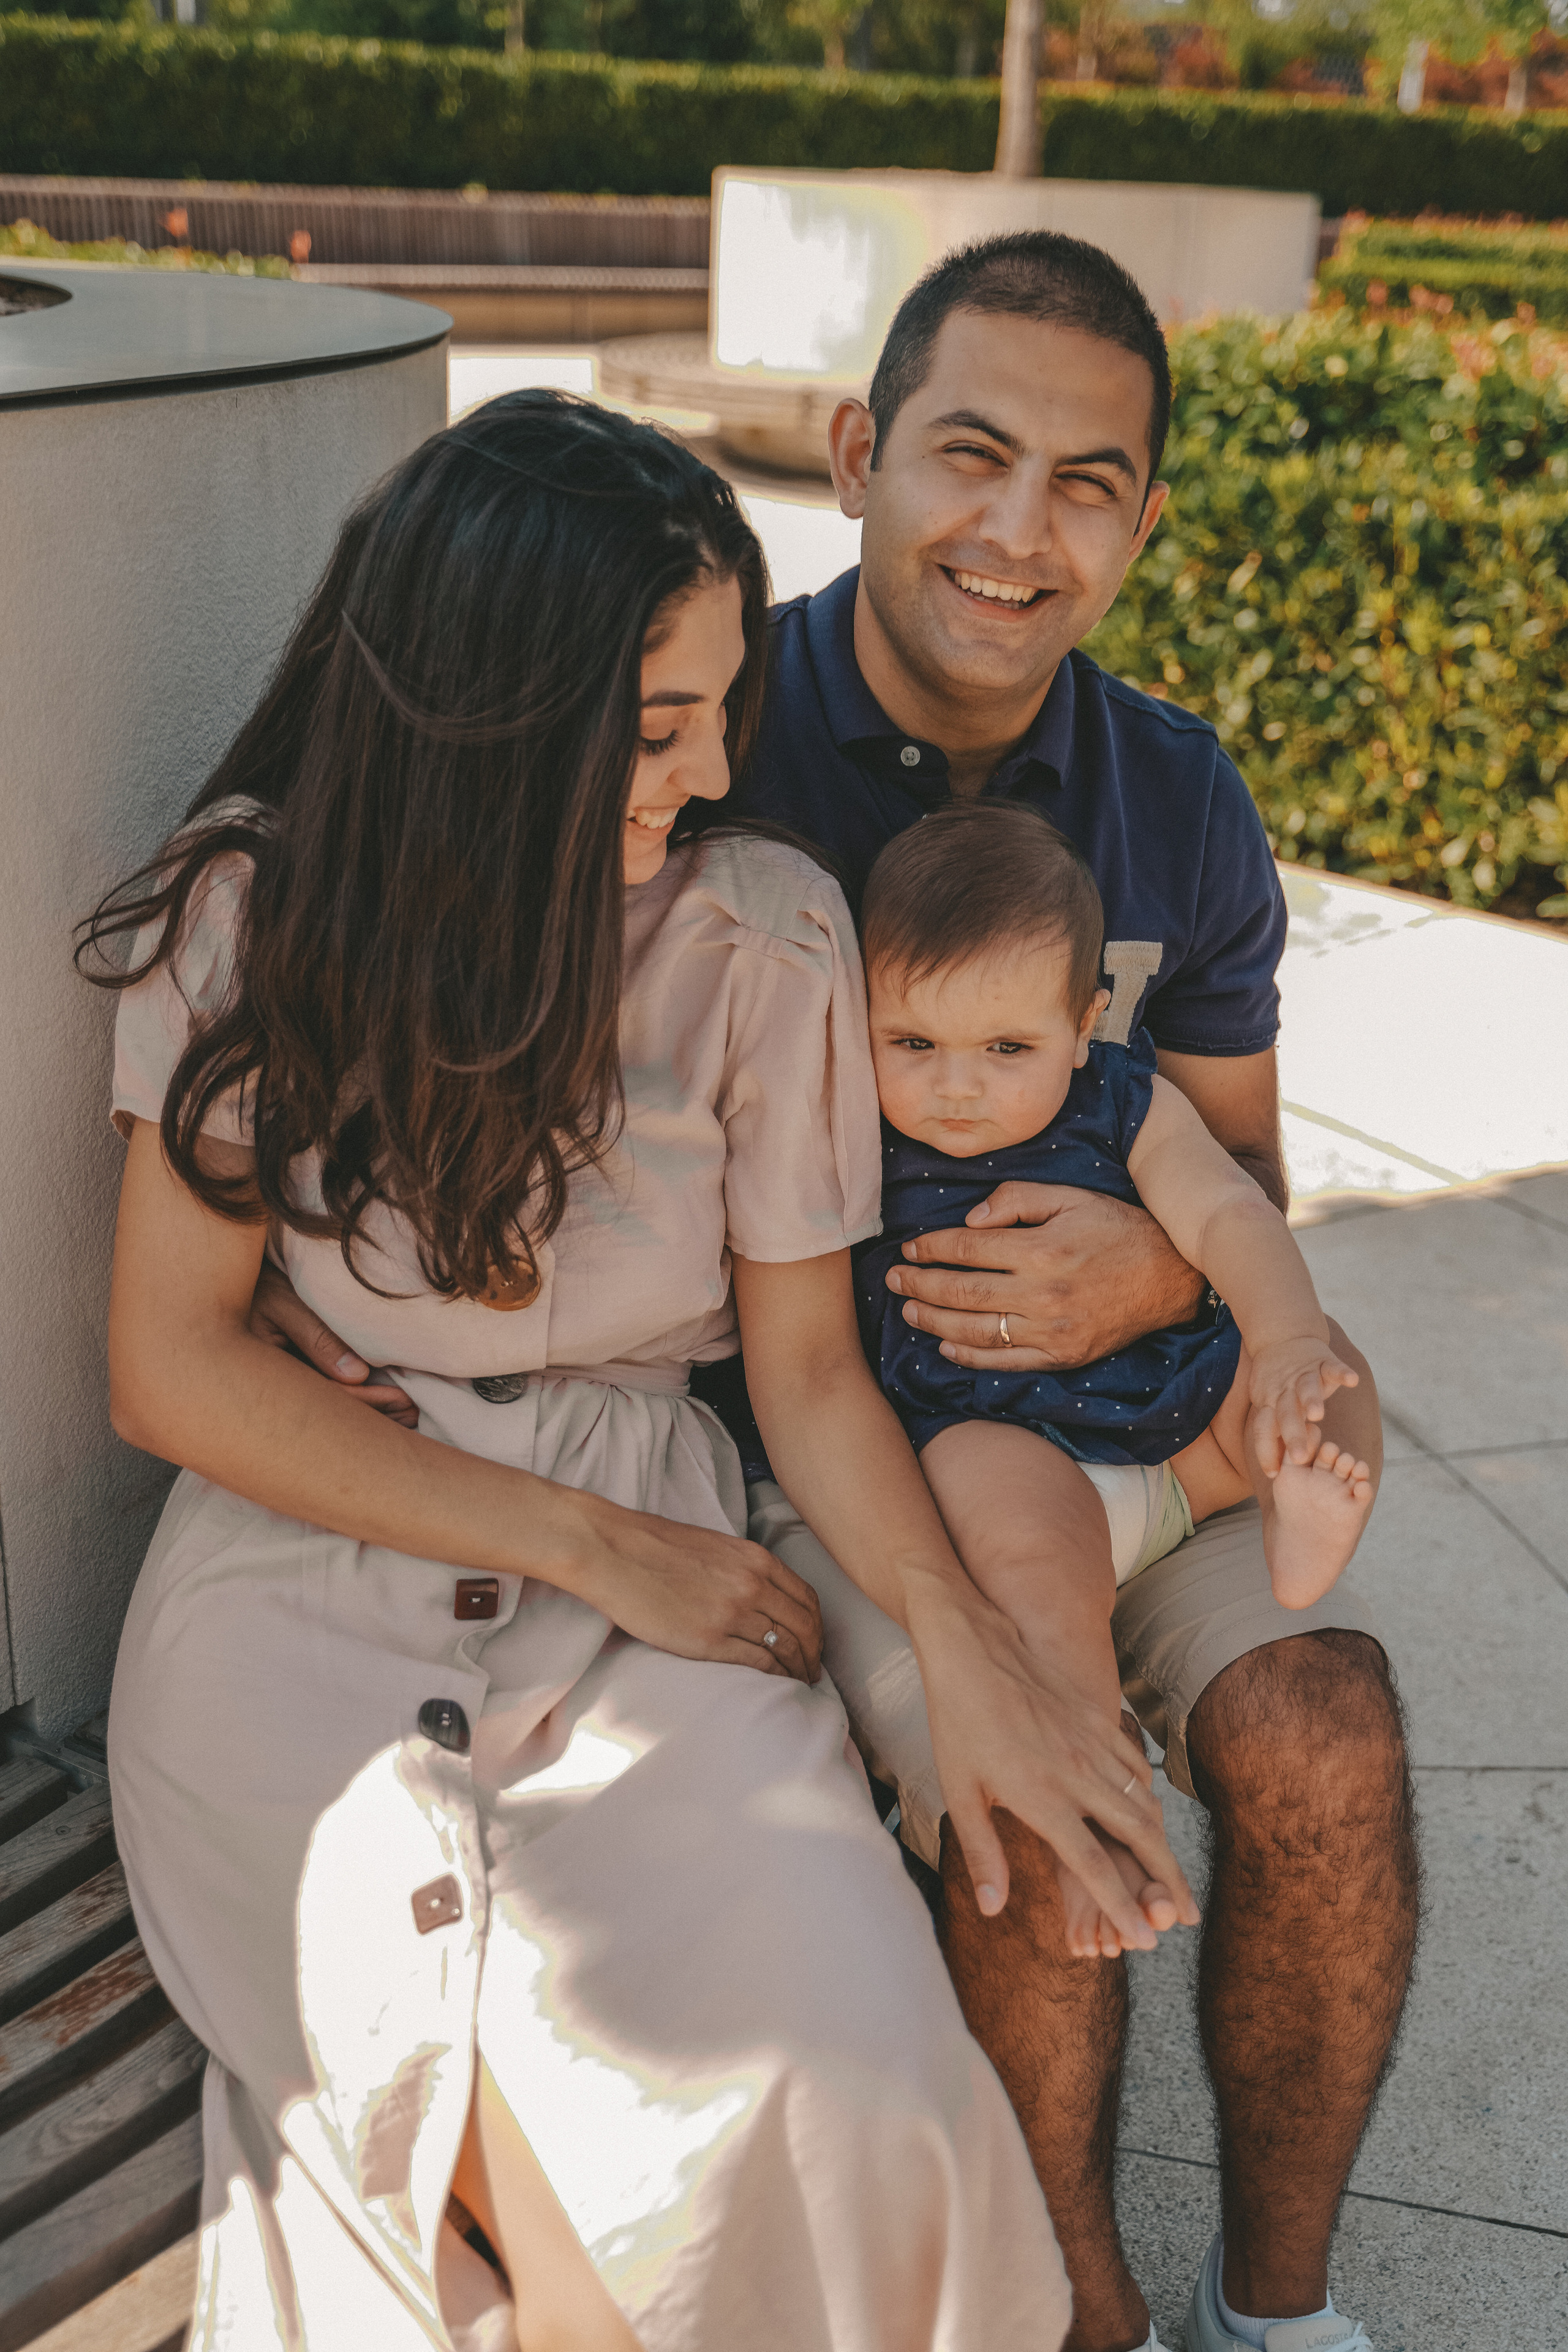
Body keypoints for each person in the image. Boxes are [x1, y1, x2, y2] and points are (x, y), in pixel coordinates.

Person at [254, 236, 1421, 2352]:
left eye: (1090, 483)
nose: (1019, 529)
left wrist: (1163, 1261)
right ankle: (1077, 2303)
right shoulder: (691, 729)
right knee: (1026, 1761)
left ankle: (1291, 2312)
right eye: (973, 456)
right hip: (850, 1438)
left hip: (1134, 1394)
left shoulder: (1179, 796)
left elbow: (1246, 1169)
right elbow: (388, 949)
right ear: (864, 454)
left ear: (1144, 523)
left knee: (1333, 1733)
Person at [88, 391, 1196, 2352]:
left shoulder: (765, 939)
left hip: (668, 1635)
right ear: (486, 705)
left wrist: (964, 1657)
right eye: (653, 724)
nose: (698, 777)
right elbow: (172, 1371)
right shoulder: (253, 916)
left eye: (717, 723)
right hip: (298, 1603)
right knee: (481, 2125)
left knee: (842, 2093)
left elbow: (814, 1381)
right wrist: (593, 1545)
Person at [855, 802, 1383, 1962]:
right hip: (1005, 1443)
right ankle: (1105, 1801)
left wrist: (1289, 1345)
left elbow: (1228, 1208)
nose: (956, 1089)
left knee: (1329, 1360)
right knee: (1030, 1560)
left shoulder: (1123, 1098)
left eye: (1007, 1049)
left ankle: (1302, 1508)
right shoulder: (851, 1122)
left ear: (1085, 1023)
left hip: (1182, 1435)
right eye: (913, 1044)